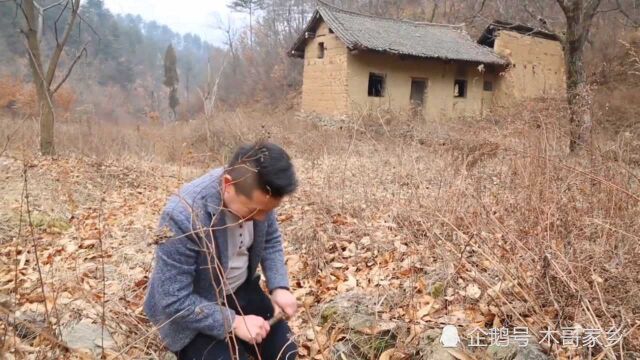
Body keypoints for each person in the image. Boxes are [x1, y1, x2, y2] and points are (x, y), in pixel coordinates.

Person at [144, 142, 299, 360]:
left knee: (286, 353)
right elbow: (173, 299)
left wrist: (279, 286)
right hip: (195, 310)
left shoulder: (260, 195)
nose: (262, 218)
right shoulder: (182, 215)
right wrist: (233, 322)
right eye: (254, 210)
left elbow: (270, 240)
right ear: (228, 184)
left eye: (269, 211)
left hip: (241, 291)